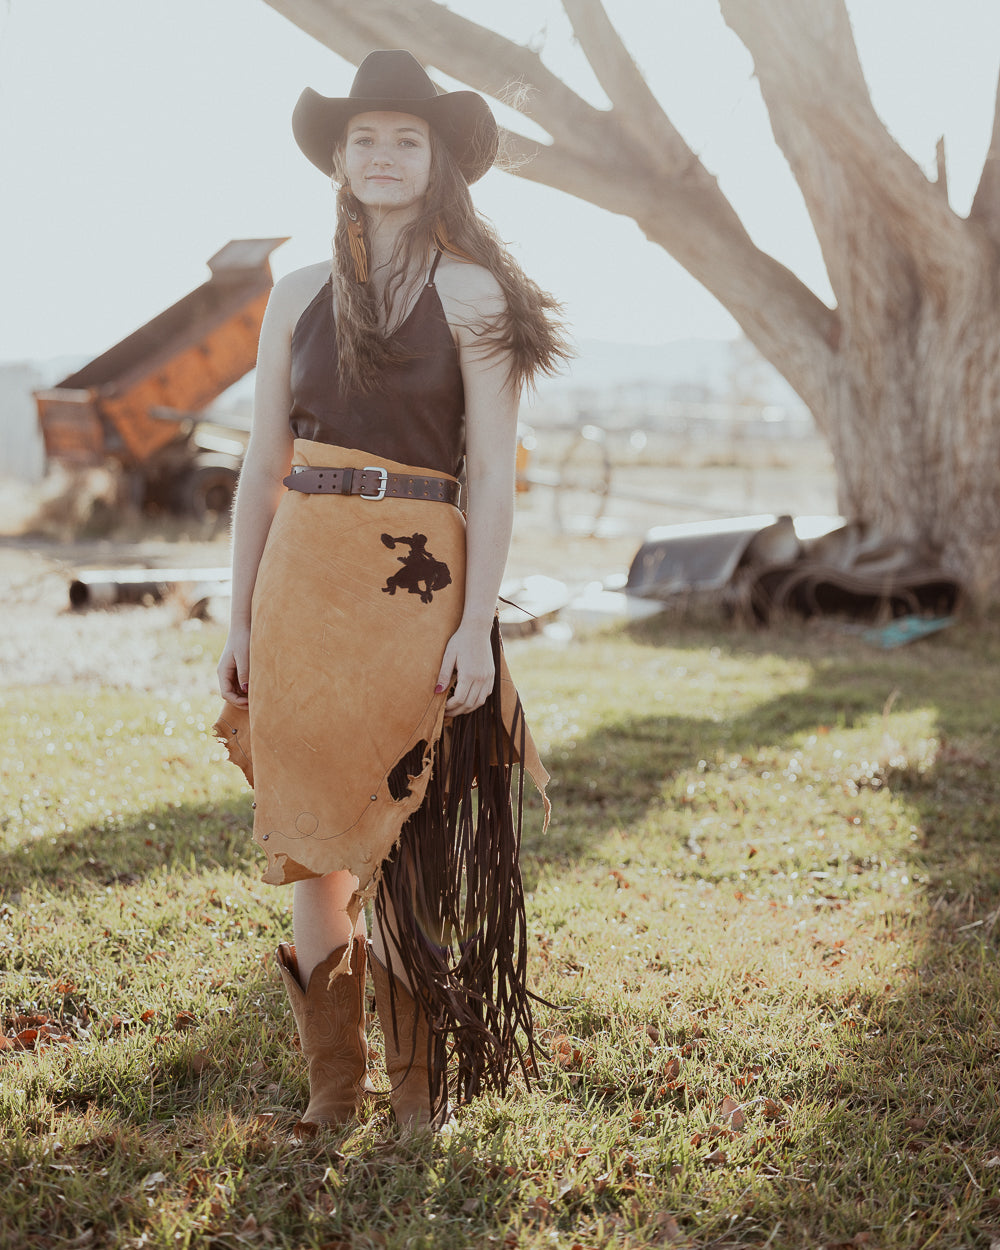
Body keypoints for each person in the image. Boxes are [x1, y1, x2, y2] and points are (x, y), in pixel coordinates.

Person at [214, 49, 569, 1133]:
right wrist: (237, 614)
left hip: (417, 582)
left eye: (405, 139)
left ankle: (417, 1095)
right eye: (363, 137)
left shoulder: (474, 294)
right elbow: (261, 463)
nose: (381, 154)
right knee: (313, 838)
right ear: (339, 157)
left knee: (409, 833)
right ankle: (334, 1092)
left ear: (438, 160)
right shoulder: (296, 294)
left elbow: (492, 479)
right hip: (303, 578)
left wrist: (475, 625)